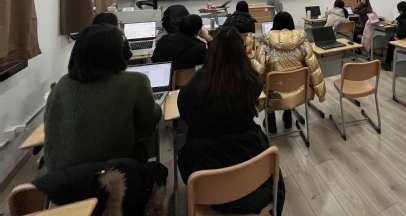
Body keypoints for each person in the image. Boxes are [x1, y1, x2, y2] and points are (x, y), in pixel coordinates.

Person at [177, 27, 285, 214]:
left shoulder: (193, 87)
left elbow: (186, 115)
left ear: (212, 51)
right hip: (250, 160)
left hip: (205, 173)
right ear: (241, 51)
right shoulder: (251, 81)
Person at [44, 24, 162, 171]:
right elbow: (150, 121)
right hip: (109, 173)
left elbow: (49, 121)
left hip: (58, 177)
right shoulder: (135, 81)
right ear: (117, 51)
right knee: (147, 145)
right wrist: (157, 106)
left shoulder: (62, 84)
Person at [252, 12, 326, 134]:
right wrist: (321, 94)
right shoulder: (304, 43)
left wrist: (252, 96)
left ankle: (271, 123)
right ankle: (288, 118)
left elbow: (257, 72)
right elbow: (314, 69)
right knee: (290, 80)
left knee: (268, 83)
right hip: (298, 92)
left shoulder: (264, 45)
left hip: (273, 95)